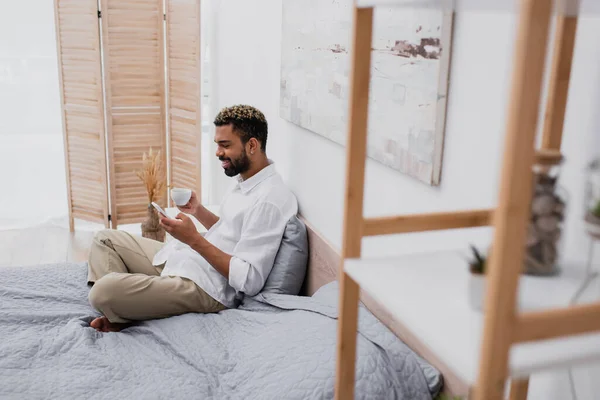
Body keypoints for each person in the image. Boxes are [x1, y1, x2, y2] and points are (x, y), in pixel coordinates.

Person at [87, 104, 298, 332]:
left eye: (225, 145)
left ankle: (121, 308)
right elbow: (231, 232)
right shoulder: (246, 180)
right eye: (217, 145)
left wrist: (193, 239)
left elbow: (249, 280)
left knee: (103, 291)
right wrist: (198, 211)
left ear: (252, 145)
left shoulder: (269, 200)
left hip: (207, 287)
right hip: (188, 261)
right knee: (104, 239)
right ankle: (124, 311)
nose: (218, 153)